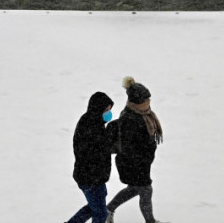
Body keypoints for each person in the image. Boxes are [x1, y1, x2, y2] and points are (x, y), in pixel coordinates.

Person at [106, 77, 167, 223]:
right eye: (146, 99)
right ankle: (150, 221)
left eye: (149, 98)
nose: (149, 101)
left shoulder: (144, 114)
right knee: (146, 190)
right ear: (136, 103)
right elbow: (129, 148)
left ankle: (108, 210)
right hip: (132, 164)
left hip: (141, 163)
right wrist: (146, 153)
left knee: (134, 189)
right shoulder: (130, 119)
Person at [66, 91, 116, 223]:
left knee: (94, 208)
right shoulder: (90, 126)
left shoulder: (94, 122)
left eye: (110, 109)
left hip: (93, 177)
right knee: (100, 213)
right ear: (98, 109)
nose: (108, 113)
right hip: (91, 178)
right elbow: (91, 153)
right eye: (106, 110)